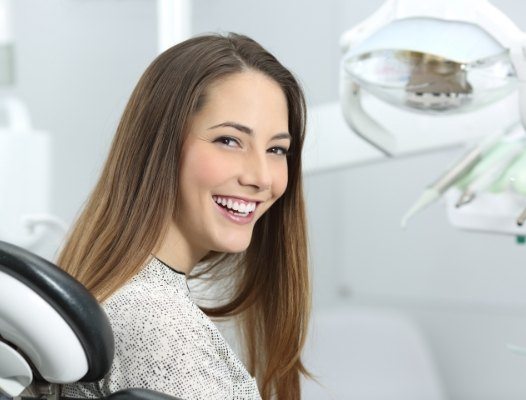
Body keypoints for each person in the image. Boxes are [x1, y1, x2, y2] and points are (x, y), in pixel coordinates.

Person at [59, 32, 312, 400]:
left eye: (276, 149)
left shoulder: (129, 297)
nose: (260, 177)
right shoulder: (157, 324)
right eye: (229, 140)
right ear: (160, 146)